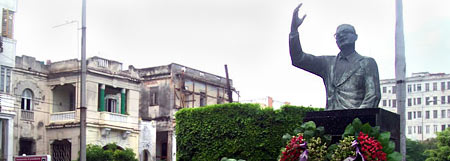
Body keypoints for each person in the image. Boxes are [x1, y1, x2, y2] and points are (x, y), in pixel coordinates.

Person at [289, 3, 380, 110]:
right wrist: (294, 30)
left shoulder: (367, 63)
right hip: (330, 120)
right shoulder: (327, 63)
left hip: (356, 123)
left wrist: (357, 119)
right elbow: (298, 59)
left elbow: (373, 96)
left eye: (345, 32)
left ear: (355, 37)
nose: (341, 35)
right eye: (337, 35)